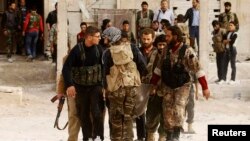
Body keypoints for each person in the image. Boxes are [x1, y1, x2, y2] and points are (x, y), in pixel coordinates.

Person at [150, 26, 210, 141]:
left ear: (175, 37)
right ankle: (169, 135)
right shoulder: (165, 50)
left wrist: (205, 87)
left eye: (168, 36)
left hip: (182, 86)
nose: (166, 38)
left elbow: (198, 69)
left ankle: (176, 135)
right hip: (167, 85)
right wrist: (153, 84)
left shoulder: (187, 51)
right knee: (167, 110)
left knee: (178, 109)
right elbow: (158, 69)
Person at [102, 27, 147, 141]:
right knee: (128, 117)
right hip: (131, 89)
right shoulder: (133, 48)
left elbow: (104, 73)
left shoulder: (107, 52)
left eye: (107, 37)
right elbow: (143, 67)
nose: (105, 40)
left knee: (116, 118)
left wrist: (105, 88)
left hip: (115, 90)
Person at [62, 26, 105, 141]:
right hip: (80, 87)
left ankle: (98, 136)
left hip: (95, 86)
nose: (99, 38)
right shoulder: (77, 50)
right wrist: (69, 85)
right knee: (83, 113)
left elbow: (104, 68)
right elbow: (66, 69)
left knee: (97, 112)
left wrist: (104, 86)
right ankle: (87, 137)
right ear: (89, 37)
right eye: (97, 36)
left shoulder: (99, 50)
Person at [143, 33, 167, 141]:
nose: (161, 47)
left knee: (165, 118)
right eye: (159, 45)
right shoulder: (153, 55)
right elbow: (148, 71)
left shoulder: (170, 56)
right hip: (153, 91)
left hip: (166, 92)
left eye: (163, 45)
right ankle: (150, 137)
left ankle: (162, 137)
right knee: (151, 116)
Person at [211, 20, 227, 84]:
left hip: (223, 50)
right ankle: (220, 78)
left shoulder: (223, 31)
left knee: (222, 64)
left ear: (218, 24)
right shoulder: (214, 32)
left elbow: (225, 40)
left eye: (216, 25)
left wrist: (225, 48)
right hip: (217, 50)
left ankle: (223, 78)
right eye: (214, 26)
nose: (215, 27)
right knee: (218, 64)